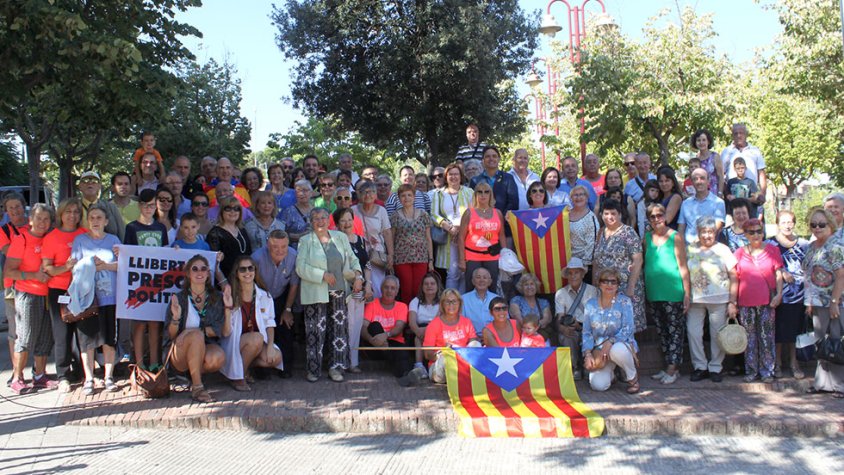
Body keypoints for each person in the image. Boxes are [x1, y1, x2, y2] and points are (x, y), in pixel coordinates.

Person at [296, 208, 363, 383]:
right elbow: (300, 268)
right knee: (315, 332)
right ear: (311, 222)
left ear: (328, 220)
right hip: (315, 293)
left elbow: (353, 259)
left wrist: (358, 276)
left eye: (323, 217)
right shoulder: (305, 241)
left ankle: (336, 368)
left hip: (339, 292)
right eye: (316, 218)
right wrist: (322, 275)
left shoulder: (340, 237)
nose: (320, 221)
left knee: (338, 332)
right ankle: (313, 370)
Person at [68, 204, 122, 394]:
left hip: (110, 298)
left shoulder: (114, 240)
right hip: (88, 299)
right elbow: (73, 267)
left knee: (109, 339)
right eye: (92, 218)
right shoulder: (80, 241)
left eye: (99, 218)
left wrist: (105, 266)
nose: (95, 221)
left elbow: (122, 266)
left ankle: (108, 377)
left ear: (106, 221)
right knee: (87, 341)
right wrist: (90, 265)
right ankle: (89, 378)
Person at [5, 204, 57, 394]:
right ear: (30, 220)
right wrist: (33, 276)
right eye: (39, 218)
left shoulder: (50, 239)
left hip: (48, 294)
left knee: (45, 338)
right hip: (28, 293)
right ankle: (17, 378)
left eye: (46, 219)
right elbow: (9, 271)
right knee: (25, 337)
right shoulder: (22, 240)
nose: (42, 223)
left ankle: (40, 376)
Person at [165, 255, 231, 403]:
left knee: (217, 356)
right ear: (188, 273)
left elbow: (222, 331)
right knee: (196, 337)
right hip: (180, 351)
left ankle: (193, 375)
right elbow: (170, 334)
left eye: (203, 269)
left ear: (208, 273)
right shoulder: (180, 298)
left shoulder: (216, 297)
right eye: (194, 269)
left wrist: (228, 308)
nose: (199, 272)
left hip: (203, 348)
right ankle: (197, 387)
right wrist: (175, 318)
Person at [41, 198, 87, 393]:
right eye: (68, 212)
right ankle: (62, 374)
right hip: (60, 290)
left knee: (83, 333)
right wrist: (65, 268)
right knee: (62, 334)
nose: (72, 215)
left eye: (76, 212)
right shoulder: (52, 237)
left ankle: (83, 371)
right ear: (60, 214)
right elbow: (47, 268)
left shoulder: (84, 234)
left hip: (82, 289)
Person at [685, 216, 737, 383]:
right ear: (698, 232)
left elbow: (734, 275)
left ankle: (716, 367)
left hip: (719, 298)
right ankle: (700, 366)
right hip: (695, 299)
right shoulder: (690, 249)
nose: (707, 235)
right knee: (693, 332)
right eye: (703, 232)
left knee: (717, 334)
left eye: (710, 232)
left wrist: (732, 301)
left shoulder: (723, 249)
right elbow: (684, 273)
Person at [643, 203, 691, 385]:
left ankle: (673, 368)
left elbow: (683, 265)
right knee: (662, 332)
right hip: (654, 292)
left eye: (660, 215)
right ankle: (667, 365)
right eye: (652, 216)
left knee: (675, 331)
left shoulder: (675, 237)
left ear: (665, 216)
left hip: (673, 291)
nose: (657, 219)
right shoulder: (646, 238)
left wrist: (687, 292)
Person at [219, 255, 282, 391]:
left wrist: (270, 345)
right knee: (256, 338)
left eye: (250, 268)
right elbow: (225, 332)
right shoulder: (230, 296)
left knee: (275, 357)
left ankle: (244, 368)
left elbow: (270, 324)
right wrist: (228, 308)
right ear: (236, 273)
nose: (247, 272)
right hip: (236, 343)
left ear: (255, 270)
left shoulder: (265, 296)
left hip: (255, 344)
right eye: (242, 269)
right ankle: (239, 378)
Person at [124, 189, 169, 373]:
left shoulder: (161, 228)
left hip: (157, 281)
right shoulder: (132, 228)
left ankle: (155, 361)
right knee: (139, 323)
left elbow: (165, 252)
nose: (148, 208)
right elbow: (127, 253)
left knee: (155, 323)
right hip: (139, 281)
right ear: (140, 206)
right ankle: (139, 363)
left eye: (152, 205)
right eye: (145, 205)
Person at [802, 208, 844, 399]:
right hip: (816, 302)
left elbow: (841, 276)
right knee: (821, 342)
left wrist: (835, 301)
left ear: (830, 224)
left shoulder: (834, 247)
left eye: (821, 224)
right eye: (813, 224)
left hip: (833, 303)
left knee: (835, 341)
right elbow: (809, 275)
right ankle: (822, 383)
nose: (817, 228)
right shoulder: (812, 247)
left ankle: (839, 385)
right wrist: (809, 302)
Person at [734, 218, 783, 383]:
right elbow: (734, 278)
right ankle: (752, 370)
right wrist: (732, 302)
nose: (756, 235)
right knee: (749, 338)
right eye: (751, 232)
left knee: (766, 336)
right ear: (745, 234)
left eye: (759, 231)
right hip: (745, 302)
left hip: (766, 301)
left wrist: (779, 294)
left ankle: (767, 371)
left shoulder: (772, 250)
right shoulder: (739, 253)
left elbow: (778, 274)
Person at [582, 268, 640, 393]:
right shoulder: (590, 304)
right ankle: (612, 375)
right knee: (598, 385)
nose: (609, 285)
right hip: (600, 350)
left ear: (618, 285)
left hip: (621, 345)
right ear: (599, 284)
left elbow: (628, 328)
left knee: (616, 350)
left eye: (613, 282)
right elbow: (586, 332)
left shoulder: (624, 302)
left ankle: (632, 377)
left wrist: (611, 342)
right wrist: (587, 354)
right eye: (605, 281)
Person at [592, 199, 646, 332]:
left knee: (625, 329)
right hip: (605, 289)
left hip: (625, 288)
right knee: (608, 328)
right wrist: (595, 286)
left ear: (620, 215)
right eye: (606, 213)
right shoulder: (601, 232)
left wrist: (630, 288)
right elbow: (596, 261)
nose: (609, 217)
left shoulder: (628, 233)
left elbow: (638, 260)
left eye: (613, 213)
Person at [251, 230, 299, 379]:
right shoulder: (257, 258)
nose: (280, 250)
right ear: (268, 245)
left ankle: (286, 366)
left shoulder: (293, 256)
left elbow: (293, 285)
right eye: (275, 247)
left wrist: (288, 309)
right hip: (260, 297)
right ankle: (261, 367)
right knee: (261, 329)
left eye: (283, 246)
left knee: (286, 326)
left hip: (281, 296)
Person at [769, 209, 808, 379]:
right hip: (776, 294)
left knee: (794, 330)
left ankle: (793, 362)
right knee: (778, 330)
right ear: (777, 224)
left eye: (790, 221)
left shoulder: (804, 244)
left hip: (798, 294)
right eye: (783, 222)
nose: (787, 225)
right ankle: (777, 362)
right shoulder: (769, 244)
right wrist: (781, 271)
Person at [362, 276, 420, 386]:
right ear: (381, 289)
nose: (389, 291)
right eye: (386, 287)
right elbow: (363, 327)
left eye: (393, 288)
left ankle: (405, 377)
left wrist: (386, 335)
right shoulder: (372, 304)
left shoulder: (402, 306)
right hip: (374, 346)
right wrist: (372, 339)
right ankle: (404, 372)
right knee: (374, 326)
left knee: (400, 349)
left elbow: (399, 327)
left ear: (397, 291)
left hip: (393, 343)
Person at [333, 208, 372, 373]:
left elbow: (367, 265)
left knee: (356, 325)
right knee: (346, 326)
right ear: (336, 224)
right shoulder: (335, 241)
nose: (347, 223)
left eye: (349, 219)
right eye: (343, 220)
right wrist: (353, 281)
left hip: (360, 288)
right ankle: (342, 361)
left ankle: (353, 362)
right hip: (344, 289)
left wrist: (367, 284)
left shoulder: (361, 240)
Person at [421, 288, 479, 384]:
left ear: (460, 303)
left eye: (454, 301)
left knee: (476, 344)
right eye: (447, 302)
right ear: (442, 304)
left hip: (462, 362)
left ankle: (464, 377)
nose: (451, 305)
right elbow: (427, 355)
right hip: (439, 366)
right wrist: (444, 353)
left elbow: (473, 346)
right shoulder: (434, 325)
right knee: (447, 359)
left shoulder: (466, 322)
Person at [431, 162, 473, 291]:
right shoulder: (439, 194)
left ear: (461, 176)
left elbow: (474, 212)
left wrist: (461, 229)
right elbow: (434, 214)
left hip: (467, 236)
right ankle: (451, 303)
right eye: (450, 174)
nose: (454, 177)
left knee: (466, 271)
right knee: (453, 272)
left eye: (456, 174)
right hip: (448, 236)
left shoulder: (469, 192)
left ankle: (463, 304)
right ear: (446, 177)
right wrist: (450, 228)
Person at [390, 184, 434, 304]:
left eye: (409, 195)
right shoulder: (394, 216)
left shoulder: (424, 214)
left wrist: (430, 260)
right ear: (399, 198)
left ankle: (417, 316)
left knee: (419, 289)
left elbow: (428, 238)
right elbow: (391, 239)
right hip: (401, 258)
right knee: (406, 289)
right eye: (403, 195)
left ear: (414, 197)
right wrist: (391, 258)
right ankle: (405, 318)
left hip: (421, 257)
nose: (406, 198)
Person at [458, 181, 505, 292]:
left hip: (493, 256)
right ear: (475, 195)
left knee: (492, 289)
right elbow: (461, 237)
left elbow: (502, 235)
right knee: (471, 288)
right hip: (472, 257)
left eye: (486, 192)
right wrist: (461, 260)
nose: (483, 195)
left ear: (491, 195)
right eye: (480, 192)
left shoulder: (497, 213)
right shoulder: (469, 213)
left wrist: (505, 255)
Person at [555, 257, 597, 380]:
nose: (573, 276)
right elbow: (559, 316)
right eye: (570, 273)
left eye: (576, 272)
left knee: (592, 335)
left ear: (582, 274)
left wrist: (582, 327)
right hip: (570, 327)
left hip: (589, 327)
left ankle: (588, 365)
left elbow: (595, 316)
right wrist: (563, 328)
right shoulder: (560, 294)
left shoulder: (592, 291)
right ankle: (575, 366)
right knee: (566, 337)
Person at [0, 193, 29, 363]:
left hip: (37, 282)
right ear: (5, 211)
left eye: (17, 206)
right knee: (15, 331)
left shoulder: (36, 225)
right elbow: (9, 252)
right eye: (10, 208)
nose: (15, 211)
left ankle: (39, 372)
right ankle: (17, 373)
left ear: (24, 206)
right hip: (14, 285)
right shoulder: (3, 231)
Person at [352, 181, 393, 297]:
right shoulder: (353, 210)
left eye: (372, 192)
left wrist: (391, 255)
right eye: (365, 192)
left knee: (377, 286)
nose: (368, 195)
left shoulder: (381, 211)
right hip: (358, 252)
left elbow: (387, 233)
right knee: (359, 285)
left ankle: (375, 312)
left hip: (376, 254)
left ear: (376, 195)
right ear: (359, 195)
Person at [721, 123, 767, 218]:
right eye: (736, 133)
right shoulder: (726, 152)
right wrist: (726, 194)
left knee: (753, 225)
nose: (738, 135)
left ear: (746, 134)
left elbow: (761, 173)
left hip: (751, 196)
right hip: (733, 198)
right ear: (732, 135)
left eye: (741, 133)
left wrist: (762, 194)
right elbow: (721, 175)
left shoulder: (755, 151)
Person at [468, 146, 519, 224]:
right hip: (481, 225)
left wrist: (499, 218)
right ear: (483, 160)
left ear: (498, 159)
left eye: (494, 156)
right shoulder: (475, 181)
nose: (491, 158)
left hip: (504, 225)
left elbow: (513, 203)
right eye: (487, 156)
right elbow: (473, 204)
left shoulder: (508, 178)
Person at [207, 196, 252, 282]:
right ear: (221, 212)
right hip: (226, 281)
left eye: (236, 209)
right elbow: (214, 263)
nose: (232, 211)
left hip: (244, 278)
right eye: (228, 208)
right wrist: (223, 283)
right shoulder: (215, 233)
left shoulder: (242, 230)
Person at [678, 168, 726, 245]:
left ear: (708, 181)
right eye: (695, 179)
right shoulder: (685, 203)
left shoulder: (718, 202)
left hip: (709, 248)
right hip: (688, 248)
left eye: (702, 178)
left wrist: (698, 241)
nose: (699, 182)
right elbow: (681, 228)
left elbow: (717, 227)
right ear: (692, 182)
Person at [409, 271, 442, 375]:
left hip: (437, 330)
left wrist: (427, 332)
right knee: (417, 338)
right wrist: (419, 332)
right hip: (419, 331)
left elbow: (438, 320)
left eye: (432, 284)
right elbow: (412, 323)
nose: (429, 286)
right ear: (422, 287)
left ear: (437, 286)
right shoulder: (415, 301)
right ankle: (419, 366)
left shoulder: (442, 301)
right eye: (426, 284)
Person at [78, 171, 125, 242]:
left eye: (94, 181)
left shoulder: (111, 208)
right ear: (80, 186)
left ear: (99, 186)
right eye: (85, 180)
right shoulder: (74, 208)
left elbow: (122, 233)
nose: (90, 183)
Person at [568, 185, 600, 282]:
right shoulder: (565, 215)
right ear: (571, 198)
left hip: (583, 266)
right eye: (575, 195)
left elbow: (592, 243)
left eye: (581, 195)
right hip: (567, 263)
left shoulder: (591, 218)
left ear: (587, 198)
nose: (578, 197)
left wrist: (584, 265)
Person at [509, 272, 552, 336]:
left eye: (532, 284)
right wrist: (532, 327)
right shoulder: (516, 300)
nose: (529, 287)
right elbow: (517, 318)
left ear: (536, 286)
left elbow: (546, 319)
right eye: (526, 285)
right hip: (521, 336)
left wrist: (533, 328)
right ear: (521, 287)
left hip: (540, 336)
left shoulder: (543, 302)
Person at [461, 267, 498, 335]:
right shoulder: (463, 299)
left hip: (494, 337)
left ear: (490, 282)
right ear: (473, 281)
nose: (481, 280)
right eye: (478, 277)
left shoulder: (497, 299)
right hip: (471, 339)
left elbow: (504, 322)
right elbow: (460, 323)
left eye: (485, 277)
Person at [279, 179, 314, 249]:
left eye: (305, 190)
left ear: (311, 193)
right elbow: (281, 234)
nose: (301, 193)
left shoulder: (317, 211)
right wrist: (299, 236)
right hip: (295, 252)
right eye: (298, 191)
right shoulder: (288, 212)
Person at [690, 129, 724, 196]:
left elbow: (721, 176)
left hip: (713, 193)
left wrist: (720, 193)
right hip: (699, 193)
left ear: (708, 141)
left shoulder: (715, 156)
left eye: (704, 140)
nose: (701, 143)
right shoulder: (695, 159)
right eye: (698, 140)